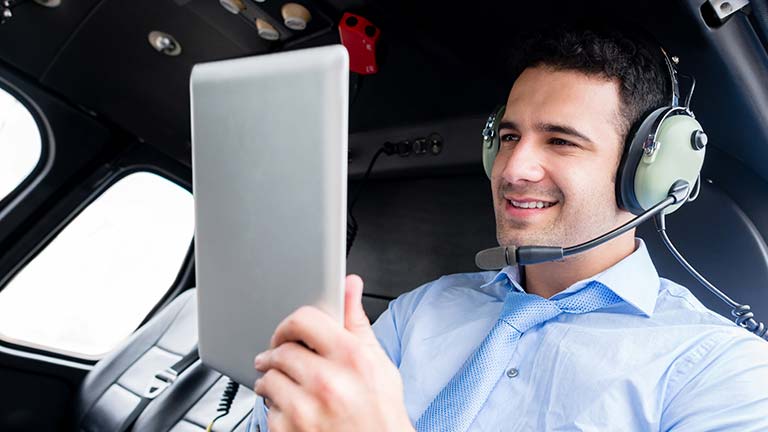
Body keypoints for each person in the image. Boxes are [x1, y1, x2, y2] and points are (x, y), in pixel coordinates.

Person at [247, 27, 768, 431]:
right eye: (510, 136)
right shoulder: (421, 311)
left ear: (649, 173)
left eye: (561, 141)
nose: (513, 168)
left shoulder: (722, 371)